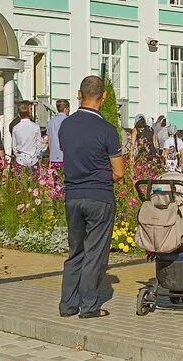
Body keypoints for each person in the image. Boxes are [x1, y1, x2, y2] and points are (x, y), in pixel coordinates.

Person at [60, 76, 125, 319]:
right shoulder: (107, 129)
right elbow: (118, 172)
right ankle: (88, 306)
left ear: (79, 94)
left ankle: (67, 304)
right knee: (95, 252)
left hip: (72, 194)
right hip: (99, 195)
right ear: (104, 96)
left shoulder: (66, 125)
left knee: (75, 251)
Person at [48, 99, 70, 171]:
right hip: (64, 156)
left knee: (55, 179)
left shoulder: (51, 121)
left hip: (53, 155)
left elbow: (49, 138)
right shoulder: (68, 121)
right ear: (66, 109)